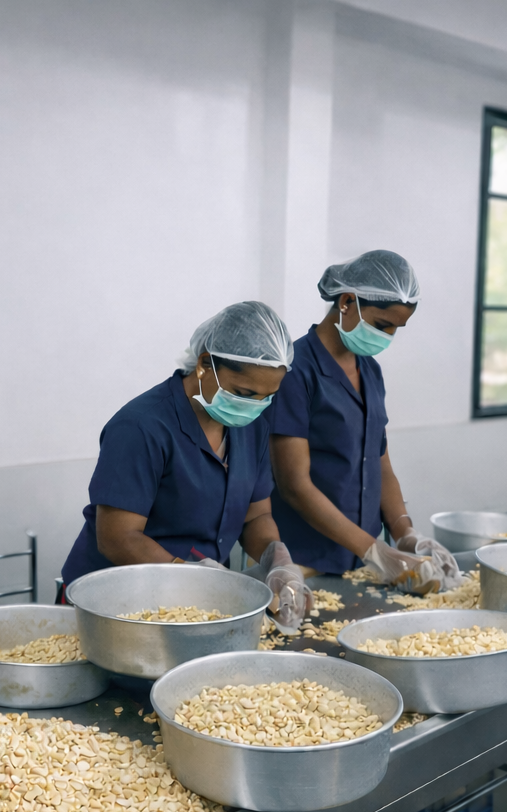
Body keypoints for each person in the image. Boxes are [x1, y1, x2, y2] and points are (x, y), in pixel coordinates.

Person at [60, 301, 313, 631]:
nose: (254, 406)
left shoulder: (251, 427)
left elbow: (257, 516)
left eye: (267, 397)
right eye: (244, 392)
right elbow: (118, 538)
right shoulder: (141, 427)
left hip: (195, 608)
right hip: (115, 607)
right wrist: (188, 575)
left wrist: (277, 561)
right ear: (205, 364)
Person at [268, 250, 458, 593]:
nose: (387, 336)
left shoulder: (370, 371)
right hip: (305, 564)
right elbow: (294, 485)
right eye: (382, 325)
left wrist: (405, 535)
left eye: (396, 329)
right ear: (346, 302)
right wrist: (375, 551)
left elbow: (380, 465)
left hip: (365, 566)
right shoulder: (296, 373)